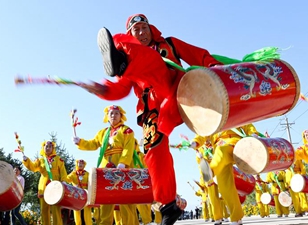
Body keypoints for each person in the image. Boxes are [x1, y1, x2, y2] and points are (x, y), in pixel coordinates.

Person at [80, 13, 222, 225]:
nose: (141, 32)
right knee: (153, 151)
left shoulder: (169, 44)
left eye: (143, 28)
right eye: (135, 30)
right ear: (131, 35)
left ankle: (118, 57)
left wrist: (215, 68)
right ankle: (168, 205)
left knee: (151, 61)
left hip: (176, 92)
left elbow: (198, 55)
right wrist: (101, 89)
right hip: (152, 109)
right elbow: (121, 88)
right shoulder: (131, 58)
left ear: (150, 29)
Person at [73, 105, 138, 225]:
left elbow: (128, 148)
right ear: (107, 117)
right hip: (105, 169)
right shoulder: (103, 133)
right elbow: (93, 144)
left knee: (125, 201)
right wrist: (80, 142)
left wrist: (123, 163)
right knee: (106, 200)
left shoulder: (127, 131)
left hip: (122, 168)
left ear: (121, 116)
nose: (113, 116)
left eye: (116, 113)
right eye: (111, 113)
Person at [191, 124, 260, 225]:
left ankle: (211, 171)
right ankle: (236, 217)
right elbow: (204, 132)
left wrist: (253, 133)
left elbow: (247, 124)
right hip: (219, 155)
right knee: (225, 187)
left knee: (221, 150)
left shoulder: (232, 110)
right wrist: (196, 142)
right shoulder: (212, 120)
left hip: (234, 143)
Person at [22, 141, 68, 225]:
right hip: (44, 186)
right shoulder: (41, 160)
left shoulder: (58, 159)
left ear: (53, 148)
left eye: (50, 146)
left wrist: (64, 181)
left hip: (55, 186)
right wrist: (26, 160)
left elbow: (63, 171)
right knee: (44, 210)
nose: (48, 148)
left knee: (56, 210)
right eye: (46, 146)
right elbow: (33, 167)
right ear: (43, 148)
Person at [66, 159, 92, 225]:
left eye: (82, 163)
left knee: (87, 213)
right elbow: (66, 179)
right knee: (77, 212)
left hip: (85, 195)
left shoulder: (87, 174)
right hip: (76, 195)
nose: (80, 164)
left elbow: (92, 182)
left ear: (84, 165)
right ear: (77, 164)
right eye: (79, 163)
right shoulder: (74, 173)